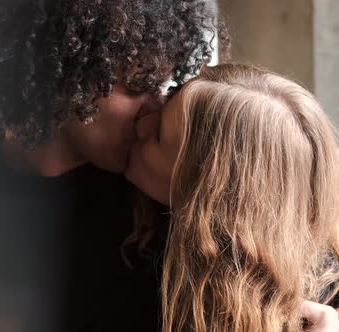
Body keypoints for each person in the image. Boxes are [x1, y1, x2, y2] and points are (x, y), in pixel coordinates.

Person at [0, 0, 223, 331]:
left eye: (160, 86)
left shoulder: (157, 196)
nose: (155, 109)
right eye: (136, 87)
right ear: (67, 74)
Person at [125, 63, 339, 332]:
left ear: (207, 196)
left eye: (158, 136)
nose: (140, 123)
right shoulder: (143, 227)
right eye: (166, 101)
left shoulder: (314, 312)